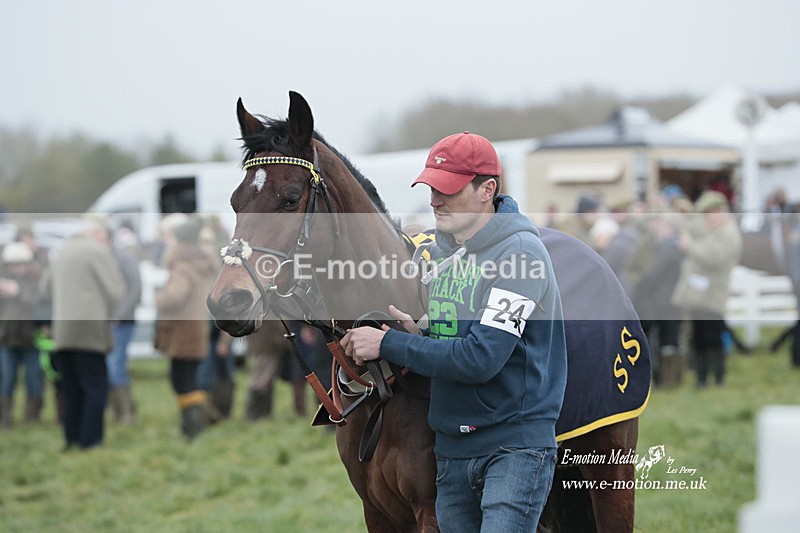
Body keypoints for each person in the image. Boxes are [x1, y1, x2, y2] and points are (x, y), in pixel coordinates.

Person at [341, 132, 567, 531]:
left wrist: (390, 342)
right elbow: (456, 346)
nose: (435, 200)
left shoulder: (521, 256)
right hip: (452, 449)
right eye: (431, 187)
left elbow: (481, 358)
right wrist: (418, 338)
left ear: (487, 190)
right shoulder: (445, 256)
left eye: (448, 189)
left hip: (513, 450)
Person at [48, 214, 124, 450]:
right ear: (99, 234)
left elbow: (45, 287)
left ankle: (71, 439)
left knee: (70, 389)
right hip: (89, 331)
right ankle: (91, 441)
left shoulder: (60, 251)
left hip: (62, 332)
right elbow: (116, 292)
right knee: (95, 387)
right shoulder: (97, 252)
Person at [154, 215, 217, 439]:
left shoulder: (182, 267)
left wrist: (158, 298)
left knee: (181, 381)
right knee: (189, 380)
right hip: (194, 329)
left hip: (183, 332)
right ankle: (195, 425)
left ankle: (191, 428)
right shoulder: (198, 263)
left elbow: (175, 296)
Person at [672, 191, 742, 387]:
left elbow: (713, 257)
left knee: (711, 339)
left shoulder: (728, 233)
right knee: (701, 338)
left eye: (708, 214)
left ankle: (715, 379)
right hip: (702, 296)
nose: (706, 219)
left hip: (711, 296)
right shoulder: (717, 231)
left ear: (719, 211)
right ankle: (703, 379)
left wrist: (690, 246)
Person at [0, 241, 44, 427]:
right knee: (6, 379)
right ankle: (5, 419)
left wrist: (17, 293)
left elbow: (39, 303)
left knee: (33, 379)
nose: (18, 268)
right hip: (6, 339)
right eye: (14, 264)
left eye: (22, 263)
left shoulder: (37, 281)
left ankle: (31, 420)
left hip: (31, 339)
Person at [107, 226, 142, 425]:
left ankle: (126, 413)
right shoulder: (100, 258)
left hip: (122, 321)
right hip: (104, 321)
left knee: (115, 365)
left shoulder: (124, 258)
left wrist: (119, 314)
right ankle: (120, 410)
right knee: (110, 365)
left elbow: (135, 289)